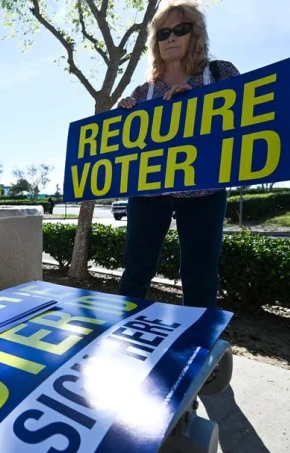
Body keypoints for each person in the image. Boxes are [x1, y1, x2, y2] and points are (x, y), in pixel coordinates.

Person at [115, 1, 239, 309]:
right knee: (136, 272)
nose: (170, 37)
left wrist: (200, 101)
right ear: (155, 42)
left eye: (180, 30)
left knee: (200, 277)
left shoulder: (220, 73)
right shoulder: (144, 92)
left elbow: (244, 118)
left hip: (204, 193)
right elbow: (128, 145)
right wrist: (122, 117)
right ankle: (123, 331)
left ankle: (198, 336)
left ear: (195, 34)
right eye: (163, 33)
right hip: (148, 194)